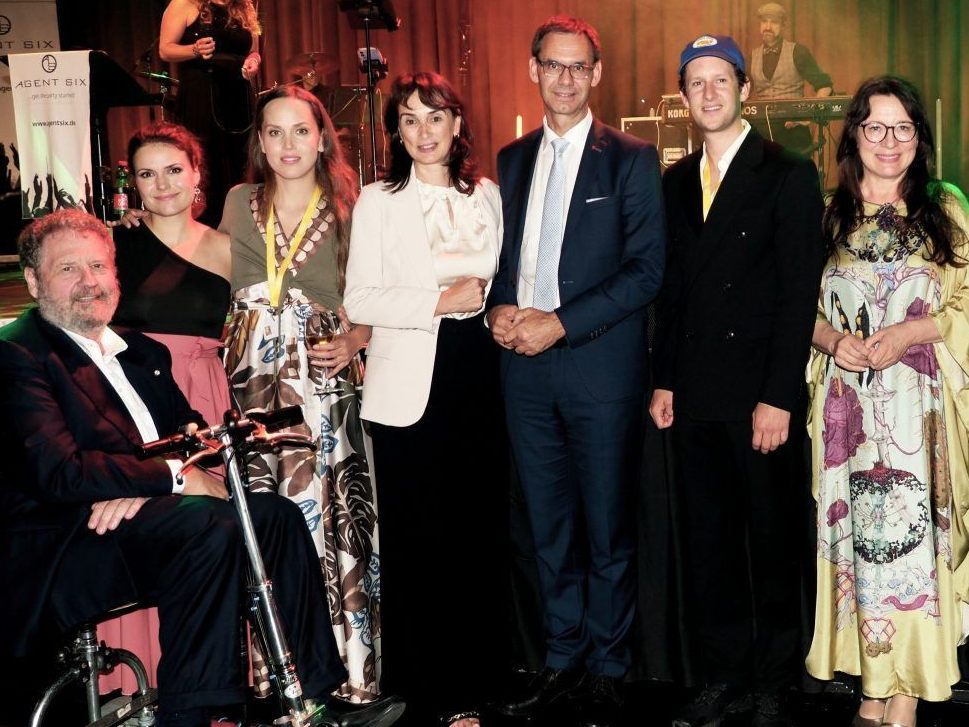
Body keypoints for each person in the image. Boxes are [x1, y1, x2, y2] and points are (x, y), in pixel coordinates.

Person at [0, 209, 402, 727]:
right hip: (67, 546)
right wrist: (169, 478)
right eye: (68, 268)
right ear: (34, 281)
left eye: (98, 267)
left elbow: (195, 439)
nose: (88, 282)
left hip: (141, 522)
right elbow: (59, 472)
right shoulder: (18, 354)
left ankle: (313, 701)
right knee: (207, 526)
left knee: (274, 516)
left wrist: (156, 482)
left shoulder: (140, 352)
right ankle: (189, 716)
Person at [485, 15, 665, 727]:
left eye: (577, 66)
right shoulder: (509, 159)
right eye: (553, 65)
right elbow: (501, 261)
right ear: (533, 69)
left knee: (607, 528)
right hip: (523, 375)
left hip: (600, 371)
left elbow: (646, 270)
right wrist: (499, 307)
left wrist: (559, 321)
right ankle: (561, 662)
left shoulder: (631, 159)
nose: (564, 78)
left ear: (596, 73)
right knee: (547, 527)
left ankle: (610, 670)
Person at [649, 35, 824, 727]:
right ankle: (722, 676)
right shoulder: (672, 182)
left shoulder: (788, 172)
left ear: (744, 89)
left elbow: (797, 294)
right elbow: (671, 291)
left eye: (720, 80)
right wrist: (664, 380)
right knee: (710, 544)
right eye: (696, 82)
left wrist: (778, 395)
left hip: (760, 397)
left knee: (772, 543)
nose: (709, 93)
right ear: (683, 98)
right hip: (695, 396)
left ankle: (775, 681)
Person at [343, 71, 506, 727]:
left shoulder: (487, 195)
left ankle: (478, 682)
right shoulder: (378, 200)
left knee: (476, 535)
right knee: (419, 539)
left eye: (435, 117)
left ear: (457, 124)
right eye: (408, 120)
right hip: (410, 381)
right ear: (396, 132)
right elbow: (359, 298)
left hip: (480, 374)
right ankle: (429, 691)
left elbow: (504, 281)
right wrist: (438, 301)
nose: (423, 131)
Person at [805, 75, 969, 727]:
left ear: (919, 138)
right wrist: (831, 340)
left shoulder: (945, 208)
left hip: (921, 409)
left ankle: (907, 689)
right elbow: (792, 306)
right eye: (875, 126)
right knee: (858, 548)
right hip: (847, 412)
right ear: (853, 135)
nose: (889, 140)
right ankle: (872, 683)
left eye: (903, 127)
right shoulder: (825, 214)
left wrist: (909, 332)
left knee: (911, 545)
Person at [219, 86, 383, 704]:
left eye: (300, 130)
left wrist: (357, 339)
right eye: (274, 132)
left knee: (334, 517)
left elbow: (383, 293)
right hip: (253, 385)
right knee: (268, 518)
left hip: (324, 381)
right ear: (260, 142)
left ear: (321, 138)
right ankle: (277, 672)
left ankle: (346, 670)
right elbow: (197, 258)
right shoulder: (237, 202)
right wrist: (143, 226)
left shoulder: (352, 207)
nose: (288, 144)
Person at [97, 121, 232, 694]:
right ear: (134, 184)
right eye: (147, 174)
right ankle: (144, 682)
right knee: (148, 527)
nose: (163, 184)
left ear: (197, 174)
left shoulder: (230, 247)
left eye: (174, 169)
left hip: (206, 398)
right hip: (138, 399)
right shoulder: (113, 246)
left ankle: (209, 681)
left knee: (211, 535)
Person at [160, 0, 261, 227]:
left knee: (242, 164)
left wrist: (253, 61)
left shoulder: (243, 6)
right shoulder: (184, 4)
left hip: (238, 96)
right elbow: (165, 49)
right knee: (207, 164)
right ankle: (207, 230)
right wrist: (194, 49)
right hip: (202, 94)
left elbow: (252, 51)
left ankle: (242, 229)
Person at [746, 2, 833, 156]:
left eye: (774, 22)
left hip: (793, 134)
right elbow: (741, 92)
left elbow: (825, 86)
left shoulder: (798, 52)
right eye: (764, 21)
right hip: (762, 133)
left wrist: (807, 116)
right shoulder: (752, 56)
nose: (768, 27)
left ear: (783, 26)